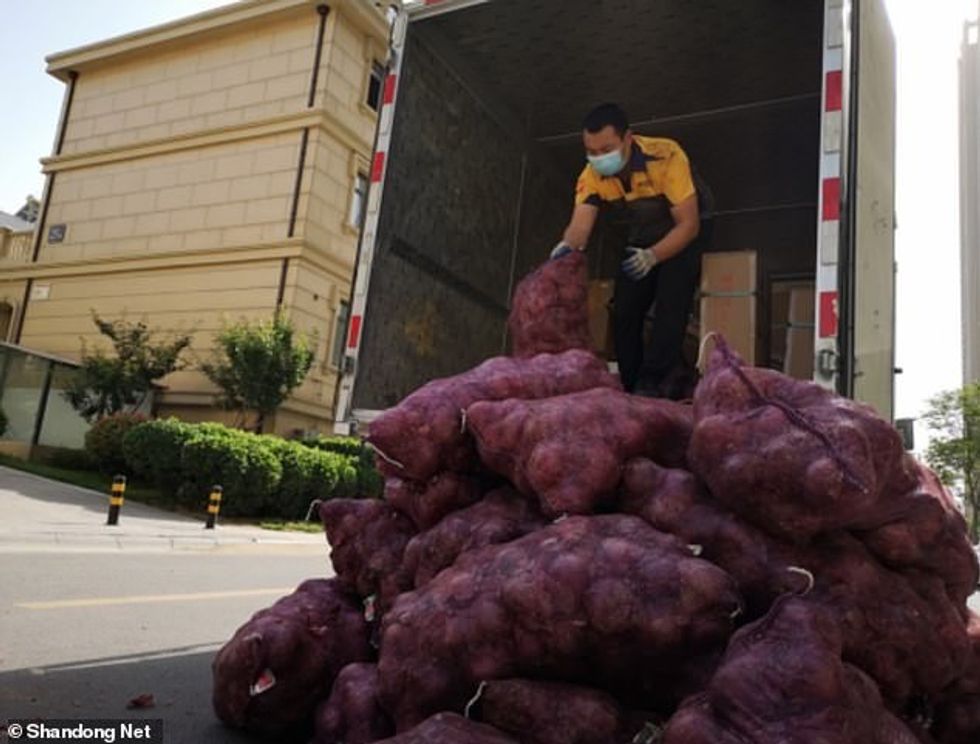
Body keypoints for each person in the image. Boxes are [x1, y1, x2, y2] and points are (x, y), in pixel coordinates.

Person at [552, 103, 714, 398]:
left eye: (606, 149)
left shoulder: (666, 155)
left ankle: (654, 381)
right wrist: (567, 247)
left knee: (671, 300)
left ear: (628, 138)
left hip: (685, 230)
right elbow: (580, 225)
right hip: (643, 233)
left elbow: (689, 226)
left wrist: (653, 256)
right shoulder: (591, 175)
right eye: (592, 152)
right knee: (625, 308)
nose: (599, 158)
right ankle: (630, 384)